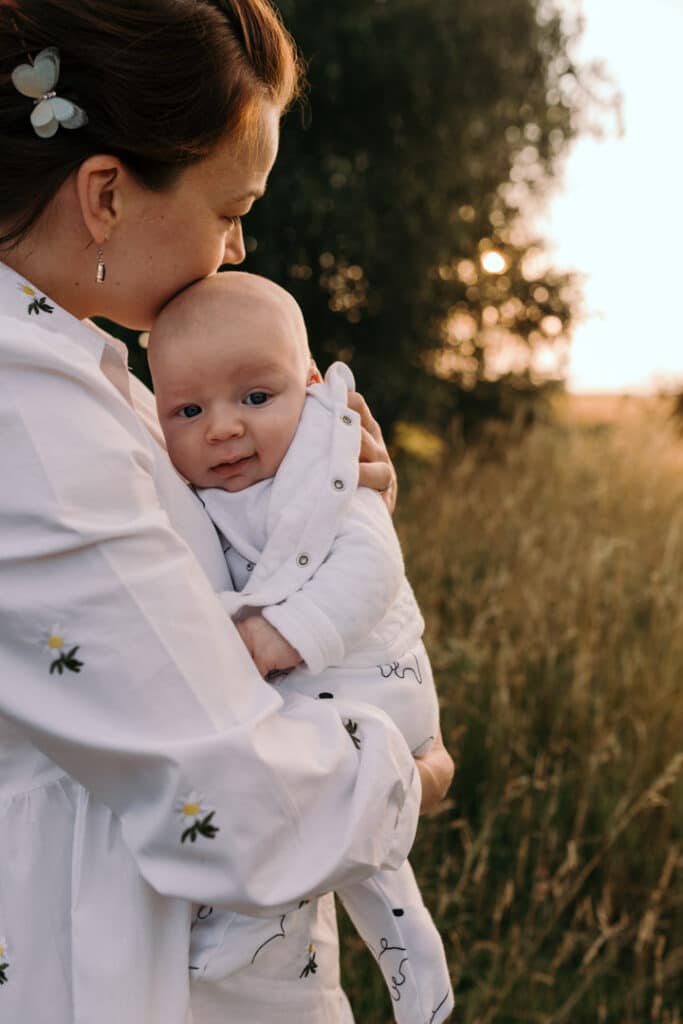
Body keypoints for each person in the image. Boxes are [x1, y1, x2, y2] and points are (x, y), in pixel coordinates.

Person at [0, 3, 454, 1024]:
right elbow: (230, 803)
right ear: (106, 194)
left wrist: (333, 503)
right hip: (93, 956)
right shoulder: (25, 420)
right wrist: (410, 774)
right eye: (228, 207)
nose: (239, 244)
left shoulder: (91, 375)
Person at [147, 271, 455, 1024]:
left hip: (366, 687)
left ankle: (405, 980)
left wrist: (274, 637)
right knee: (358, 859)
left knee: (347, 849)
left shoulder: (324, 477)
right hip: (322, 706)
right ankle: (419, 979)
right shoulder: (212, 490)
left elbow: (372, 568)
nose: (222, 428)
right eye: (187, 410)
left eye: (256, 398)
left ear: (314, 391)